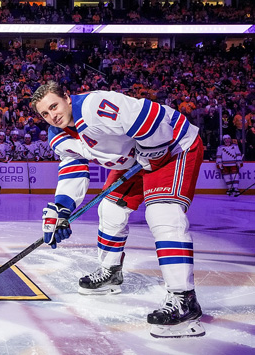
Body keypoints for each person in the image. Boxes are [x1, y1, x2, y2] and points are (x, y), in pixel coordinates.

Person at [31, 81, 205, 338]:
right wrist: (61, 209)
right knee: (110, 209)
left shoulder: (95, 106)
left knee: (162, 213)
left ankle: (184, 299)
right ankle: (110, 272)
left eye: (54, 106)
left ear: (67, 98)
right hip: (136, 158)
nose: (52, 116)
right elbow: (73, 169)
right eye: (45, 113)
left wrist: (153, 150)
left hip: (174, 148)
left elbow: (150, 115)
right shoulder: (58, 135)